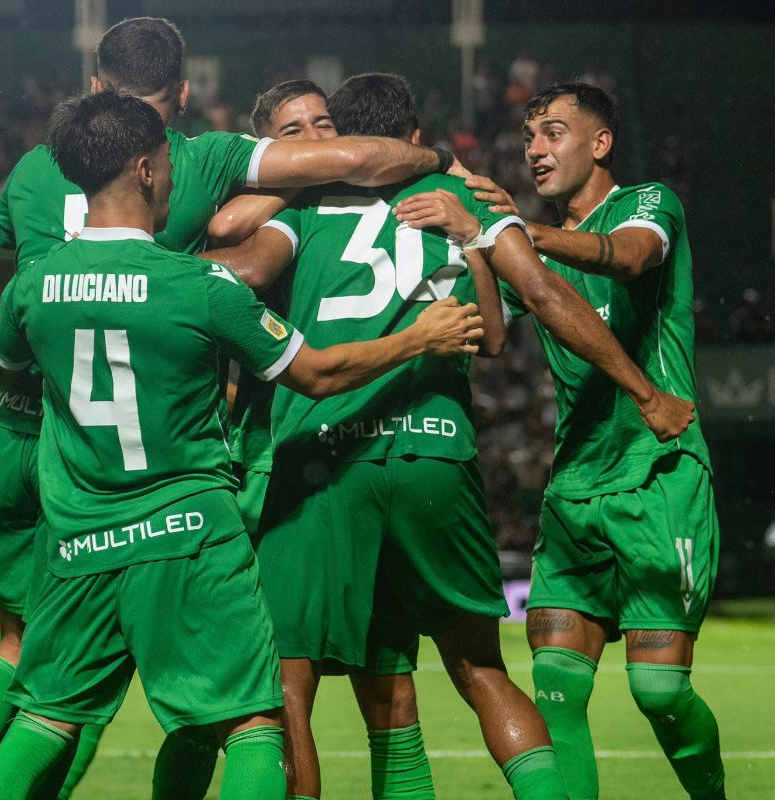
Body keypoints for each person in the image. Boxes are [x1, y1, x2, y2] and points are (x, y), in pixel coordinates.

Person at [0, 16, 468, 800]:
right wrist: (418, 337)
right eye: (165, 165)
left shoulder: (32, 289)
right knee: (252, 727)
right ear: (147, 169)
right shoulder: (203, 286)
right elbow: (319, 374)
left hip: (78, 529)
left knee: (42, 722)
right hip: (188, 530)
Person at [207, 71, 694, 800]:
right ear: (412, 138)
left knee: (290, 687)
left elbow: (243, 266)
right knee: (476, 671)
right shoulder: (463, 202)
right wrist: (475, 236)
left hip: (325, 460)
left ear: (348, 141)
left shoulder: (304, 202)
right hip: (436, 451)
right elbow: (514, 320)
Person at [462, 82, 725, 800]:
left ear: (600, 142)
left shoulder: (648, 202)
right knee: (554, 686)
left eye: (553, 132)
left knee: (659, 692)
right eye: (528, 137)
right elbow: (489, 334)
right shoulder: (530, 253)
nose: (534, 150)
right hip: (574, 488)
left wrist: (515, 235)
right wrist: (476, 248)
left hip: (657, 473)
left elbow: (630, 257)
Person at [221, 77, 447, 798]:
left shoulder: (312, 205)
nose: (318, 138)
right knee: (303, 683)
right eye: (295, 132)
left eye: (325, 123)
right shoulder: (284, 204)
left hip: (315, 458)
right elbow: (243, 255)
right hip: (284, 457)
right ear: (262, 146)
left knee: (319, 681)